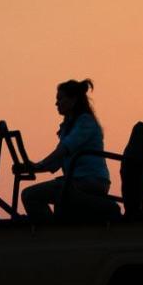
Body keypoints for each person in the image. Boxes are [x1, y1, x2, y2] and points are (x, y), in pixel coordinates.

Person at [18, 78, 110, 220]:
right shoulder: (68, 127)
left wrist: (39, 165)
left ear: (73, 100)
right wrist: (31, 167)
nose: (56, 103)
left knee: (29, 195)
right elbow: (56, 162)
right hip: (77, 180)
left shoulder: (85, 122)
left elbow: (63, 150)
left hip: (89, 181)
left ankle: (50, 234)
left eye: (60, 99)